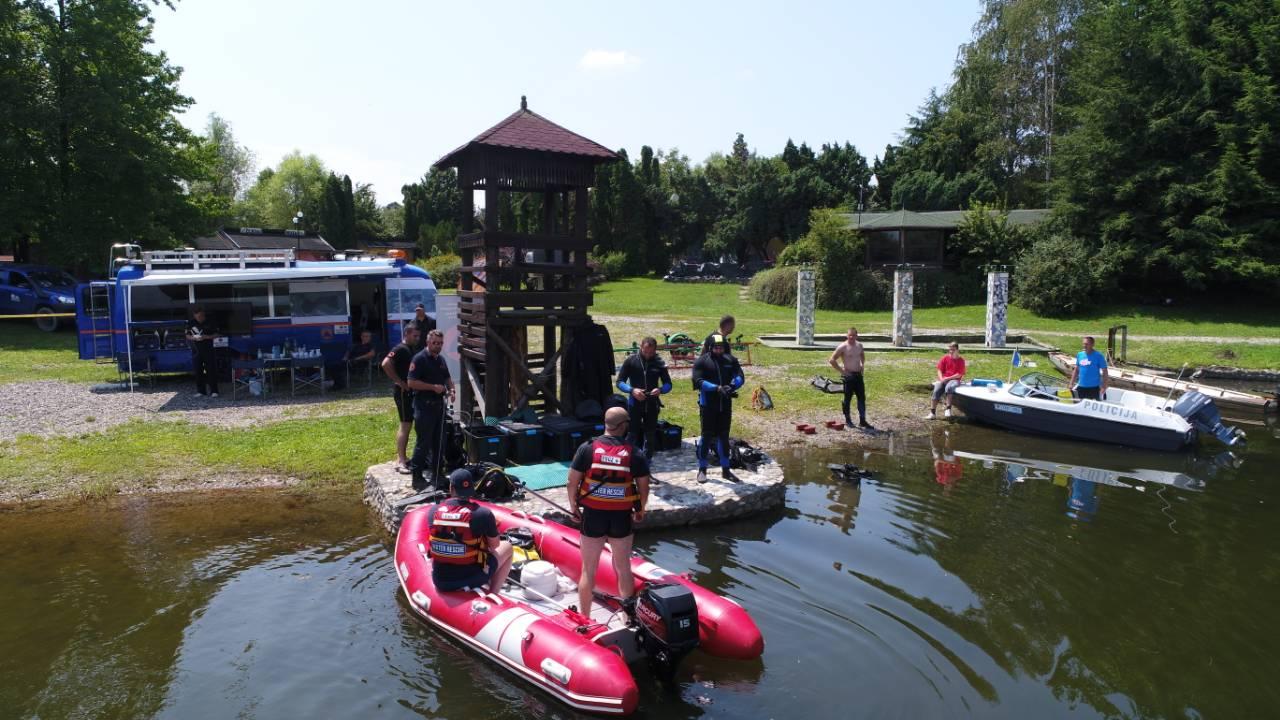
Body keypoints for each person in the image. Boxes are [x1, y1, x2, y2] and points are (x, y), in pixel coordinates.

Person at [566, 406, 651, 616]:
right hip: (621, 517)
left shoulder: (587, 448)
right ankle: (628, 616)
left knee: (588, 569)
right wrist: (641, 508)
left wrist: (573, 506)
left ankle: (585, 616)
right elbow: (644, 486)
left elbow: (571, 481)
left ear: (606, 424)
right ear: (623, 426)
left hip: (593, 515)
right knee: (623, 567)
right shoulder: (634, 453)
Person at [426, 468, 513, 592]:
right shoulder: (483, 514)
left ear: (451, 488)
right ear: (471, 490)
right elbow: (494, 546)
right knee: (507, 547)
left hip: (441, 580)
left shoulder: (433, 511)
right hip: (472, 578)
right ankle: (493, 593)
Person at [691, 334, 745, 483]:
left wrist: (732, 386)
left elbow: (740, 376)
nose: (719, 350)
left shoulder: (730, 360)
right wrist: (716, 388)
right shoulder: (702, 361)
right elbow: (698, 381)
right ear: (710, 347)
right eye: (716, 347)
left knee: (724, 436)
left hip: (725, 404)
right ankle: (702, 470)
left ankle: (726, 470)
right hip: (708, 404)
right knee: (707, 436)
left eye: (721, 347)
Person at [408, 329, 455, 491]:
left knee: (439, 443)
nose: (438, 346)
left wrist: (452, 390)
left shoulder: (440, 359)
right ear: (428, 342)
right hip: (424, 406)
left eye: (440, 343)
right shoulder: (420, 359)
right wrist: (433, 387)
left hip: (439, 407)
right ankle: (417, 477)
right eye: (435, 343)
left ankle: (437, 475)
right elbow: (411, 383)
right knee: (424, 443)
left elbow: (447, 377)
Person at [615, 337, 673, 458]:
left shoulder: (659, 362)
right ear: (641, 348)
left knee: (650, 436)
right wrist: (632, 390)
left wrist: (660, 390)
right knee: (632, 434)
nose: (647, 355)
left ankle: (646, 465)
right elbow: (619, 382)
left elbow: (668, 384)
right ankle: (627, 463)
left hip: (652, 404)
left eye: (651, 352)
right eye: (645, 352)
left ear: (655, 350)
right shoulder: (631, 361)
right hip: (634, 403)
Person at [382, 323, 420, 475]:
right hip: (402, 392)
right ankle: (401, 461)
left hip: (410, 392)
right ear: (407, 334)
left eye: (419, 336)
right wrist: (399, 382)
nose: (417, 339)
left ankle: (405, 457)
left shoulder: (411, 349)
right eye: (415, 336)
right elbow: (385, 364)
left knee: (409, 425)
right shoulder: (400, 348)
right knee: (405, 425)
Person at [828, 327, 872, 429]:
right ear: (847, 336)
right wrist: (842, 372)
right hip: (849, 377)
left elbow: (862, 356)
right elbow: (832, 360)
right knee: (847, 399)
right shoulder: (843, 347)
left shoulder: (859, 345)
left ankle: (862, 420)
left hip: (858, 376)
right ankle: (848, 420)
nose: (851, 337)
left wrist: (862, 365)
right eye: (849, 335)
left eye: (853, 335)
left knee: (861, 398)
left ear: (856, 336)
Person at [185, 306, 220, 398]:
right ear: (194, 316)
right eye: (197, 317)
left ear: (203, 314)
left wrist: (206, 337)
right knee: (198, 370)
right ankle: (201, 391)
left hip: (208, 349)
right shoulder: (191, 322)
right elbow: (187, 336)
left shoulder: (210, 321)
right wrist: (193, 338)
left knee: (211, 370)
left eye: (200, 316)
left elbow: (217, 334)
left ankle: (214, 391)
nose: (199, 318)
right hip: (196, 350)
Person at [926, 342, 966, 419]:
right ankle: (932, 413)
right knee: (936, 390)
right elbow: (939, 370)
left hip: (954, 379)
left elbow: (959, 374)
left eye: (953, 350)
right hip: (944, 379)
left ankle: (948, 409)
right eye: (950, 350)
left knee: (949, 387)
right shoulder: (945, 358)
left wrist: (947, 378)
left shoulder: (961, 360)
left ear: (957, 350)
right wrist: (941, 379)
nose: (951, 351)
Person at [1068, 335, 1109, 401]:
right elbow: (1076, 370)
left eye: (1087, 344)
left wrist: (1104, 386)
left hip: (1094, 388)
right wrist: (1071, 383)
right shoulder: (1080, 354)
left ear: (1092, 344)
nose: (1084, 346)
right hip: (1081, 387)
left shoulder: (1098, 356)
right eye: (1084, 344)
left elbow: (1105, 372)